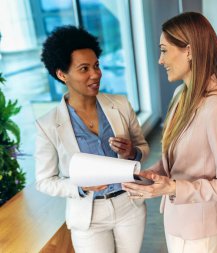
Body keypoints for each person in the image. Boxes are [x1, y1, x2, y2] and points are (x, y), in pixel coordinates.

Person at [123, 12, 217, 253]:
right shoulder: (181, 94)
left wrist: (173, 188)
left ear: (189, 51)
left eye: (164, 50)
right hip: (177, 216)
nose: (160, 60)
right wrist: (151, 176)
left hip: (201, 226)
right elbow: (178, 158)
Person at [35, 26, 149, 253]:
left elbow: (143, 148)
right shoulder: (48, 124)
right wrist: (79, 186)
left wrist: (131, 153)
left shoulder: (120, 105)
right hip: (88, 217)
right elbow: (44, 181)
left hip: (129, 206)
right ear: (61, 74)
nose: (95, 74)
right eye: (84, 68)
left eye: (96, 65)